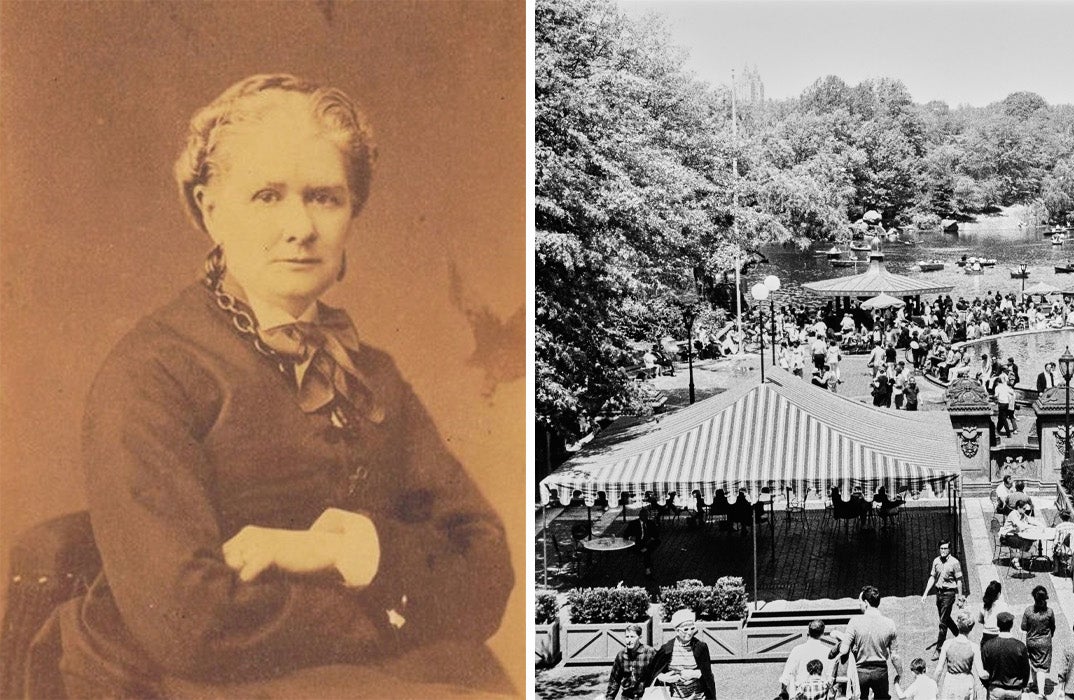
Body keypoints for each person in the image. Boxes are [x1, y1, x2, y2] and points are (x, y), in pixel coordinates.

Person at [50, 74, 518, 698]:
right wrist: (393, 606)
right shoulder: (153, 372)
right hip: (192, 679)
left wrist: (344, 554)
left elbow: (487, 569)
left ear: (353, 211)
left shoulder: (373, 373)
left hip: (364, 670)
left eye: (324, 197)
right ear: (210, 210)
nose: (300, 226)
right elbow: (188, 622)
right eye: (267, 196)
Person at [832, 586, 901, 700]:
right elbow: (895, 656)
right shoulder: (890, 623)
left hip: (860, 671)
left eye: (860, 602)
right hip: (881, 672)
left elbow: (843, 650)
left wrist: (841, 636)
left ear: (866, 602)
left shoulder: (855, 622)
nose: (859, 605)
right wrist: (900, 673)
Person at [653, 608, 717, 700]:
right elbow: (655, 673)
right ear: (677, 631)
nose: (689, 633)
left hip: (698, 696)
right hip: (674, 696)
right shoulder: (667, 649)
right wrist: (664, 678)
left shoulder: (700, 647)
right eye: (685, 629)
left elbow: (707, 674)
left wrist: (695, 673)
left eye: (692, 629)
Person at [977, 613, 1033, 699]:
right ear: (1011, 625)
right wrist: (1023, 685)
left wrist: (988, 685)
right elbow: (1026, 670)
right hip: (1014, 690)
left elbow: (984, 670)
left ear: (998, 625)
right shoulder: (1020, 646)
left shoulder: (988, 646)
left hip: (995, 689)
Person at [923, 541, 964, 652]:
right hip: (939, 593)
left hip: (949, 594)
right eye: (941, 548)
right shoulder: (936, 561)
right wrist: (925, 593)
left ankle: (939, 648)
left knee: (942, 623)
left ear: (949, 549)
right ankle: (959, 635)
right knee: (945, 618)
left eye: (945, 548)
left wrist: (960, 598)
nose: (943, 550)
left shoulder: (955, 562)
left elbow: (959, 580)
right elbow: (932, 577)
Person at [934, 613, 983, 700]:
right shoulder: (974, 647)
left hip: (950, 681)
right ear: (971, 628)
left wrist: (934, 685)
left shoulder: (947, 644)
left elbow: (939, 669)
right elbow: (981, 673)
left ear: (957, 625)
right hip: (967, 682)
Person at [780, 620, 834, 700]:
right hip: (823, 694)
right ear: (822, 633)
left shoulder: (797, 650)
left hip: (802, 694)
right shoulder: (828, 652)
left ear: (808, 631)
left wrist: (783, 690)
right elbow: (831, 675)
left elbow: (788, 673)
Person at [606, 623, 658, 700]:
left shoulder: (650, 653)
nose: (629, 640)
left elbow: (659, 674)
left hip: (645, 696)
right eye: (627, 637)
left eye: (632, 637)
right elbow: (614, 681)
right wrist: (609, 698)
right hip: (627, 697)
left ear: (640, 637)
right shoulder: (621, 655)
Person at [1022, 586, 1057, 698]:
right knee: (1041, 666)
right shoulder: (1049, 612)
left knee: (1033, 662)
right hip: (1045, 642)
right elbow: (1053, 626)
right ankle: (1041, 692)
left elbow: (1023, 627)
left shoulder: (1028, 611)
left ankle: (1035, 684)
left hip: (1031, 641)